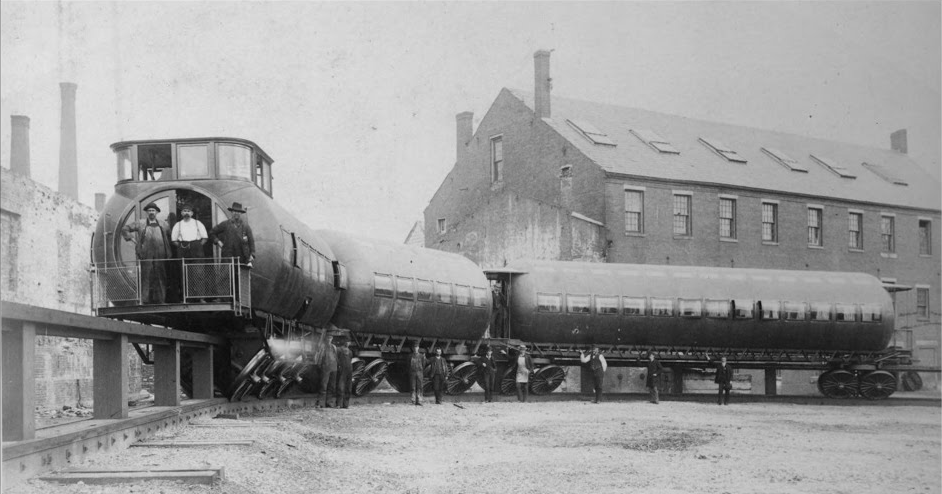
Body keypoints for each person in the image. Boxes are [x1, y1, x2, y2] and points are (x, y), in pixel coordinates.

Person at [122, 202, 172, 304]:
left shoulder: (164, 224)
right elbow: (125, 229)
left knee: (160, 275)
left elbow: (170, 236)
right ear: (146, 212)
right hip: (146, 253)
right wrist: (132, 239)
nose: (151, 212)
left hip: (160, 253)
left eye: (153, 210)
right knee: (146, 275)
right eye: (149, 211)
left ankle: (161, 300)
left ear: (157, 212)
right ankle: (144, 300)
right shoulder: (140, 223)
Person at [209, 202, 256, 297]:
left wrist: (252, 254)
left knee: (240, 277)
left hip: (242, 256)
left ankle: (240, 299)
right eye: (234, 211)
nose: (236, 213)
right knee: (224, 275)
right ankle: (223, 298)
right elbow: (212, 232)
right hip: (227, 254)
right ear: (231, 212)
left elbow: (251, 241)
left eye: (238, 212)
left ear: (241, 213)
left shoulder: (246, 227)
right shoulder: (225, 224)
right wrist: (218, 242)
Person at [170, 204, 208, 300]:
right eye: (184, 211)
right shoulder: (178, 225)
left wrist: (197, 246)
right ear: (181, 213)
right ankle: (187, 298)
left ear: (192, 213)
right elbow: (174, 240)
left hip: (196, 249)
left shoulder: (197, 223)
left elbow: (205, 238)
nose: (186, 213)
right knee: (185, 274)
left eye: (188, 211)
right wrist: (182, 247)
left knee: (199, 273)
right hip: (183, 249)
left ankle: (200, 298)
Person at [315, 334, 338, 408]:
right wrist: (320, 365)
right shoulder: (323, 347)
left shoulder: (334, 347)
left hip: (333, 367)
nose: (329, 339)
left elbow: (336, 357)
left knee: (332, 386)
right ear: (326, 339)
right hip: (325, 367)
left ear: (332, 339)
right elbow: (319, 357)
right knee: (323, 385)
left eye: (330, 338)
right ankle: (320, 403)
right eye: (328, 338)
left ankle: (329, 403)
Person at [335, 338, 353, 409]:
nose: (348, 343)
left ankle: (346, 404)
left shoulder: (350, 352)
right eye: (347, 342)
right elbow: (336, 358)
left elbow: (350, 359)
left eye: (349, 342)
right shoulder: (339, 349)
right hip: (342, 369)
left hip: (349, 370)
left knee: (348, 388)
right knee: (340, 387)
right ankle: (339, 404)